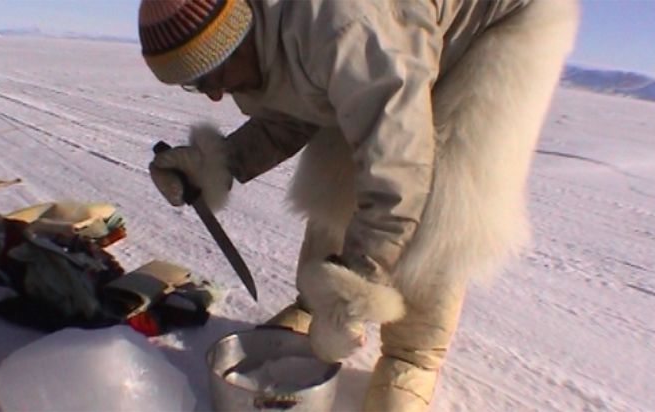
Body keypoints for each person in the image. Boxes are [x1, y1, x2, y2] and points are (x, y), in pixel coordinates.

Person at [139, 0, 578, 410]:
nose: (214, 96)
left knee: (443, 192)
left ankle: (412, 355)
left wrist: (355, 295)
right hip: (389, 35)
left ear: (235, 35)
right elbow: (300, 102)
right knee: (342, 144)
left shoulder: (347, 29)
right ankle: (315, 304)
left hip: (500, 24)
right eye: (196, 86)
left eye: (210, 76)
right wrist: (220, 164)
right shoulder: (278, 25)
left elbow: (398, 173)